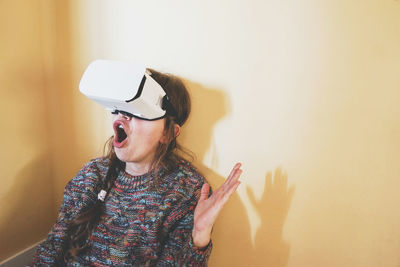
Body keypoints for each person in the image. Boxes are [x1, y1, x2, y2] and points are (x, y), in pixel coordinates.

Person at [29, 67, 242, 266]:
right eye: (121, 108)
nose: (124, 116)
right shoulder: (92, 175)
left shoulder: (187, 192)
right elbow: (51, 249)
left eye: (139, 111)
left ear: (168, 133)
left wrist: (198, 238)